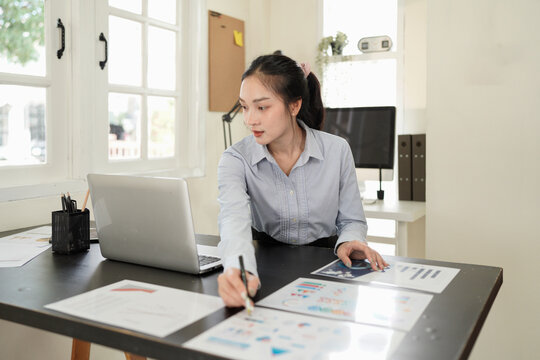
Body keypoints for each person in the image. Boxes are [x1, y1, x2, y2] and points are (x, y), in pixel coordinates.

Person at [216, 54, 389, 308]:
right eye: (244, 106)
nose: (249, 119)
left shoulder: (337, 150)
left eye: (262, 107)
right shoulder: (235, 159)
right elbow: (233, 222)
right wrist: (237, 269)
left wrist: (351, 240)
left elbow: (351, 219)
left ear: (294, 106)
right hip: (264, 267)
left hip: (328, 266)